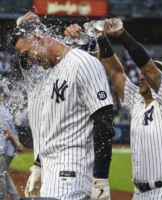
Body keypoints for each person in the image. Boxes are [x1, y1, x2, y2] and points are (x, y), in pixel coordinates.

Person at [64, 19, 162, 199]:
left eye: (146, 74)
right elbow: (116, 72)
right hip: (139, 193)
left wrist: (122, 35)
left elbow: (147, 66)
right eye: (140, 74)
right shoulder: (137, 101)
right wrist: (101, 38)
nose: (142, 76)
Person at [12, 12, 115, 200]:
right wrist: (38, 166)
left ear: (38, 39)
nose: (27, 61)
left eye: (27, 54)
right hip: (51, 171)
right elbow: (51, 130)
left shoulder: (82, 63)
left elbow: (104, 120)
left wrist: (101, 178)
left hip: (71, 173)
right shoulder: (44, 73)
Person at [0, 96, 24, 200]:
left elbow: (8, 132)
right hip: (8, 149)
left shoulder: (1, 111)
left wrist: (17, 144)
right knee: (3, 174)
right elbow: (13, 130)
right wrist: (17, 144)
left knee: (0, 175)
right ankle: (16, 197)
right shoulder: (5, 110)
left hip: (4, 149)